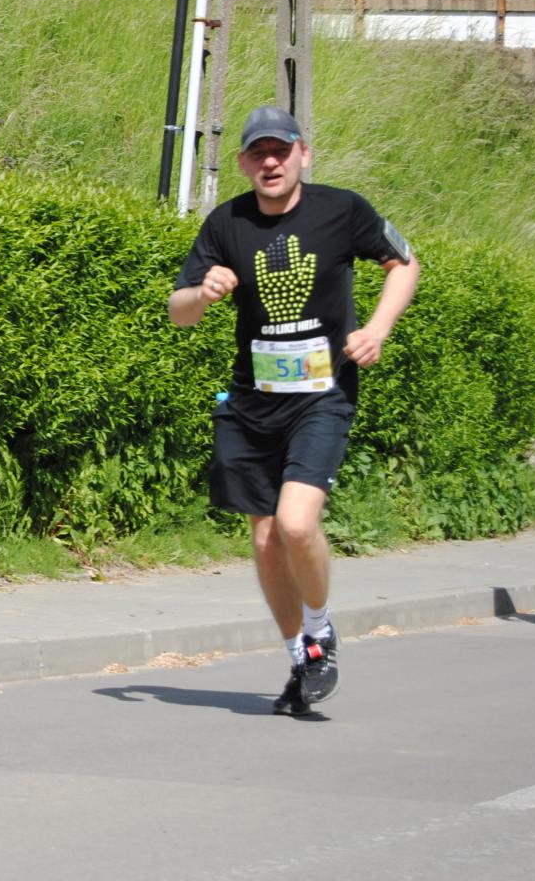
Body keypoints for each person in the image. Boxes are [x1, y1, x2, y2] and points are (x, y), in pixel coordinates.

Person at [169, 105, 419, 716]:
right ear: (243, 163)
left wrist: (377, 329)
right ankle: (300, 658)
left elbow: (404, 264)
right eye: (259, 153)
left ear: (303, 154)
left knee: (297, 524)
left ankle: (320, 629)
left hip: (323, 396)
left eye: (281, 151)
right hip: (252, 402)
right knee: (263, 538)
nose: (271, 163)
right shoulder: (226, 222)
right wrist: (203, 292)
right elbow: (179, 312)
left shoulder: (342, 210)